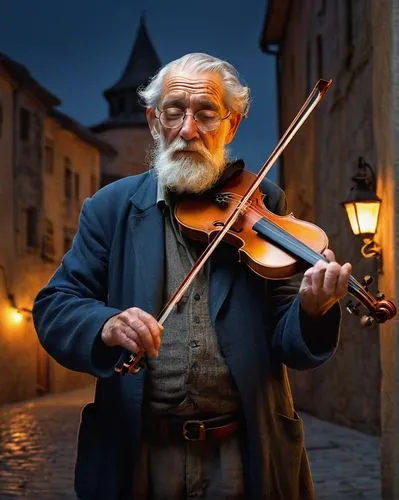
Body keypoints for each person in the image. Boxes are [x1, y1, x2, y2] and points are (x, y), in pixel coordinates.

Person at [33, 52, 351, 500]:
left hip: (242, 450)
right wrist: (104, 325)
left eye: (206, 114)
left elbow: (287, 340)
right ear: (153, 120)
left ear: (231, 125)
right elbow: (55, 305)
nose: (188, 130)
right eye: (174, 112)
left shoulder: (263, 201)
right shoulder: (110, 208)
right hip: (139, 450)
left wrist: (311, 310)